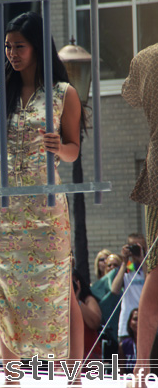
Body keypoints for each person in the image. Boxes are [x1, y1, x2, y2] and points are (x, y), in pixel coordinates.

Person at [0, 11, 83, 385]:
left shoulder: (63, 93)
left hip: (47, 205)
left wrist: (60, 147)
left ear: (37, 47)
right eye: (8, 47)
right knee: (6, 287)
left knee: (60, 284)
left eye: (19, 46)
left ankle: (71, 373)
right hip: (7, 208)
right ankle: (10, 376)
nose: (12, 53)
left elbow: (74, 149)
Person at [122, 43, 158, 387]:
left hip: (156, 161)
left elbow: (130, 94)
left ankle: (142, 366)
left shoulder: (144, 58)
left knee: (157, 271)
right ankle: (142, 366)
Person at [111, 234, 146, 341]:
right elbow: (114, 290)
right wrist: (124, 262)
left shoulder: (149, 268)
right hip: (127, 325)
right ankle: (115, 360)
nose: (136, 250)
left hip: (146, 323)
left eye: (139, 247)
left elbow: (151, 282)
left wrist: (142, 259)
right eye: (133, 247)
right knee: (121, 355)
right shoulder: (126, 269)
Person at [118, 308, 138, 375]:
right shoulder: (123, 345)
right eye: (135, 319)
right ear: (130, 323)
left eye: (141, 319)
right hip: (127, 381)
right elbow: (120, 372)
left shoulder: (153, 345)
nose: (138, 322)